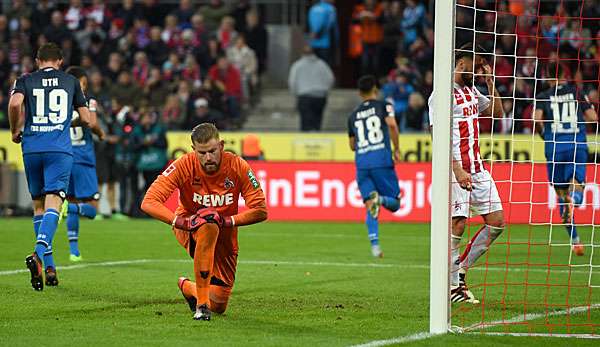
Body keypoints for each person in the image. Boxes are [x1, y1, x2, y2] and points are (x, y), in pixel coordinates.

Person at [141, 123, 267, 321]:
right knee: (207, 223)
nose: (208, 158)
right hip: (191, 226)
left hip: (226, 232)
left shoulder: (238, 166)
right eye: (202, 153)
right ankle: (201, 307)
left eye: (212, 151)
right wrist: (181, 222)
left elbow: (260, 210)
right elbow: (149, 202)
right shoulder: (183, 164)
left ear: (222, 146)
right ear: (193, 150)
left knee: (219, 303)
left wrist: (225, 221)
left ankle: (187, 286)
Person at [8, 43, 91, 290]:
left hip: (32, 147)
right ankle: (38, 253)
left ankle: (50, 267)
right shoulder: (70, 81)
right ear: (60, 61)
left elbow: (14, 105)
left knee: (38, 205)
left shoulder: (25, 79)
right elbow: (86, 118)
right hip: (59, 149)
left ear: (37, 61)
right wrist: (67, 118)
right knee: (54, 200)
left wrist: (15, 130)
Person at [428, 44, 505, 304]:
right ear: (462, 63)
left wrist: (490, 81)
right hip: (455, 168)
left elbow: (497, 113)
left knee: (496, 222)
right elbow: (436, 135)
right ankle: (451, 287)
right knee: (458, 223)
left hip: (478, 168)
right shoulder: (442, 94)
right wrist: (456, 168)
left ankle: (459, 270)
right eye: (478, 63)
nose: (480, 68)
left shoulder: (473, 90)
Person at [534, 62, 597, 256]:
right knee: (577, 185)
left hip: (554, 148)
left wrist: (544, 135)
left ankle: (576, 241)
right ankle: (575, 199)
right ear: (564, 72)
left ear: (546, 75)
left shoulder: (543, 96)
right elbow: (593, 117)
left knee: (561, 195)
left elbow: (536, 119)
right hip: (576, 145)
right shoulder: (576, 91)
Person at [347, 75, 401, 258]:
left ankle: (375, 247)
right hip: (381, 160)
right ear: (376, 89)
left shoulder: (353, 115)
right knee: (394, 204)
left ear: (359, 93)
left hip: (362, 164)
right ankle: (382, 200)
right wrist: (397, 148)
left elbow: (352, 145)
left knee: (369, 204)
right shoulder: (384, 105)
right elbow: (392, 125)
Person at [62, 66, 105, 262]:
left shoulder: (60, 102)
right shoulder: (88, 101)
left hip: (63, 158)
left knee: (70, 200)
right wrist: (101, 133)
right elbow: (92, 122)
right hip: (83, 159)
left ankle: (74, 251)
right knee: (93, 208)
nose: (84, 87)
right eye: (84, 84)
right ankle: (72, 210)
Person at [288, 45, 334, 131]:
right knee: (317, 122)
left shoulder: (297, 65)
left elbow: (292, 82)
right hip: (320, 96)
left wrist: (295, 94)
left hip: (304, 96)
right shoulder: (322, 64)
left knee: (305, 123)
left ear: (302, 53)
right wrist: (326, 91)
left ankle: (306, 142)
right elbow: (330, 78)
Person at [308, 0, 338, 66]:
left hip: (314, 43)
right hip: (325, 44)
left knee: (314, 66)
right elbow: (331, 25)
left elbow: (311, 27)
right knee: (325, 67)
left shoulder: (313, 8)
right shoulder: (331, 9)